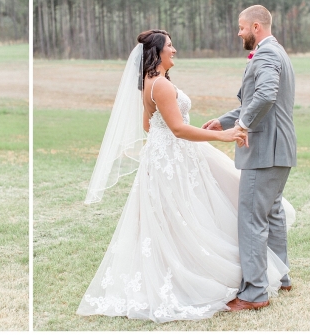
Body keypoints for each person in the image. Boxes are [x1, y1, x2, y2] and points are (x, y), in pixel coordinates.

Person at [77, 29, 294, 323]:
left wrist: (165, 148)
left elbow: (148, 125)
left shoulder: (150, 83)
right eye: (170, 46)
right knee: (189, 216)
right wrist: (222, 137)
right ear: (157, 53)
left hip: (168, 157)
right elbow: (177, 128)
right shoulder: (162, 86)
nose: (175, 50)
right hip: (173, 158)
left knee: (180, 217)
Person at [202, 5, 296, 311]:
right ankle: (279, 276)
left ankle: (255, 292)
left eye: (242, 27)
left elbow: (266, 96)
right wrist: (225, 121)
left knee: (252, 219)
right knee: (273, 213)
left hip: (264, 150)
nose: (239, 32)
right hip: (279, 149)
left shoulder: (266, 54)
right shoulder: (278, 51)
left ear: (256, 27)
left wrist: (242, 126)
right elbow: (257, 99)